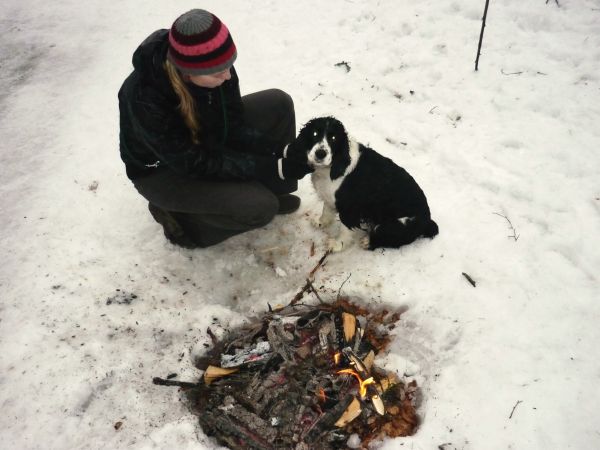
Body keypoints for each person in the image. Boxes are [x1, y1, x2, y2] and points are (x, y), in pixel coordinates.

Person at [118, 9, 313, 248]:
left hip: (202, 138)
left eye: (230, 65)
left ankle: (275, 190)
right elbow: (195, 162)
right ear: (189, 72)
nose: (228, 75)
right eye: (219, 72)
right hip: (164, 171)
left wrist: (279, 150)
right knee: (260, 208)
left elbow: (233, 125)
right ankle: (184, 224)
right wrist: (265, 166)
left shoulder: (217, 66)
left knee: (278, 103)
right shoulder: (145, 98)